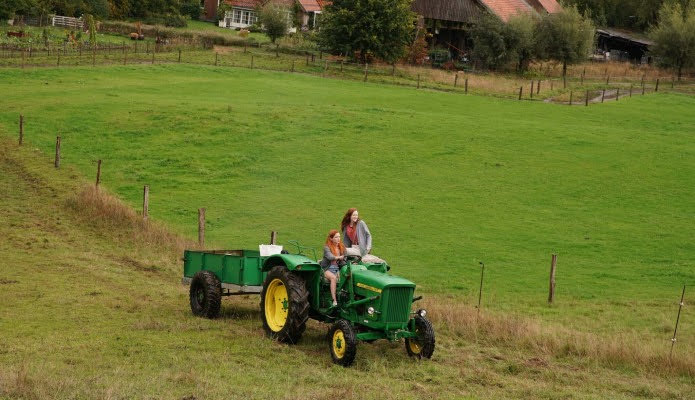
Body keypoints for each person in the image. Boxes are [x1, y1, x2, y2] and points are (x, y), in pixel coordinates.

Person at [319, 229, 345, 306]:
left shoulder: (341, 247)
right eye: (336, 237)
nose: (338, 239)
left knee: (346, 277)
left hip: (337, 268)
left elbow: (346, 256)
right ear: (331, 238)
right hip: (327, 269)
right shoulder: (327, 247)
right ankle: (334, 300)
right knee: (333, 278)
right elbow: (330, 257)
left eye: (339, 237)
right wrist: (339, 257)